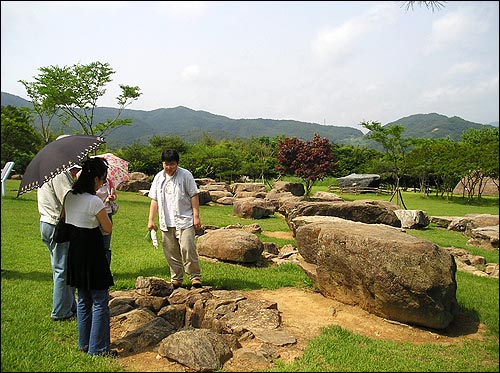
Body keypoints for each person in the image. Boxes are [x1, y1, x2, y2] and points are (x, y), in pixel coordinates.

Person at [64, 157, 116, 356]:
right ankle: (99, 348)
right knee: (100, 300)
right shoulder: (94, 201)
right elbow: (107, 227)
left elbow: (64, 218)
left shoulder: (70, 196)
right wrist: (100, 208)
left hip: (75, 253)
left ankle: (83, 343)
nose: (103, 183)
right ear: (95, 179)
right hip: (93, 254)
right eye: (102, 180)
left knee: (84, 299)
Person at [147, 149, 202, 289]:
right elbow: (154, 199)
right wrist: (151, 220)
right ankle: (176, 278)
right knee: (171, 252)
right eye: (166, 164)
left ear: (177, 163)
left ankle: (195, 277)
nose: (169, 167)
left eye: (172, 164)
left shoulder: (185, 175)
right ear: (162, 163)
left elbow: (194, 195)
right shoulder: (159, 178)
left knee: (188, 249)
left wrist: (196, 216)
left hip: (185, 220)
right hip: (166, 221)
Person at [38, 161, 80, 321]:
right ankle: (61, 312)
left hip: (47, 223)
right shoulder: (59, 173)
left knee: (62, 267)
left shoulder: (47, 170)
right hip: (58, 225)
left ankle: (69, 305)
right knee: (63, 270)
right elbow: (68, 199)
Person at [95, 175, 117, 265]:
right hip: (94, 213)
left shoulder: (108, 181)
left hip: (107, 213)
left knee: (105, 244)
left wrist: (112, 197)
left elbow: (114, 195)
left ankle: (105, 269)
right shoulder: (92, 181)